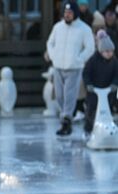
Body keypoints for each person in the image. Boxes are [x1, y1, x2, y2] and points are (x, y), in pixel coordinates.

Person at [46, 1, 95, 136]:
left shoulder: (84, 29)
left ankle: (66, 122)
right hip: (58, 67)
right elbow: (50, 42)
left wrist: (79, 59)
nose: (67, 15)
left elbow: (90, 47)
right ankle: (67, 116)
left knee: (69, 96)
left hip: (73, 68)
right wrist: (53, 55)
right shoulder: (58, 27)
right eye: (65, 13)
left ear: (75, 14)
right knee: (60, 96)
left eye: (70, 13)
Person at [82, 30, 118, 135]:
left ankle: (107, 131)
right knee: (91, 111)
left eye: (111, 51)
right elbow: (86, 73)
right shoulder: (93, 60)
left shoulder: (115, 61)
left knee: (107, 111)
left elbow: (117, 74)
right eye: (106, 51)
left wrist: (115, 84)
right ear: (101, 51)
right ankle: (88, 130)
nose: (109, 53)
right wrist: (88, 84)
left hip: (109, 91)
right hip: (94, 91)